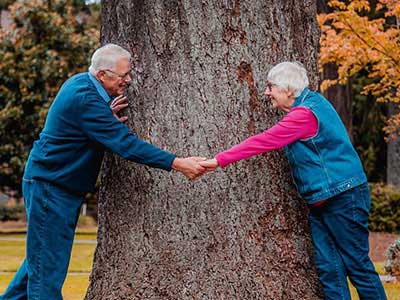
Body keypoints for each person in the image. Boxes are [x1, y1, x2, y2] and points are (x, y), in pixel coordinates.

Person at [0, 44, 206, 300]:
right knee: (47, 273)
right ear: (102, 75)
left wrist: (104, 119)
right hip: (50, 188)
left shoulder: (82, 88)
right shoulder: (86, 98)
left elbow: (84, 126)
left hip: (57, 185)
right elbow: (127, 145)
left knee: (40, 261)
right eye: (123, 76)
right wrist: (178, 163)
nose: (128, 80)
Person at [200, 62, 387, 300]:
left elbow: (265, 140)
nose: (266, 92)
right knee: (330, 269)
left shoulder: (304, 114)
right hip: (322, 202)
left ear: (288, 90)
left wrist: (218, 160)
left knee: (357, 266)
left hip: (343, 197)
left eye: (271, 86)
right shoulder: (313, 103)